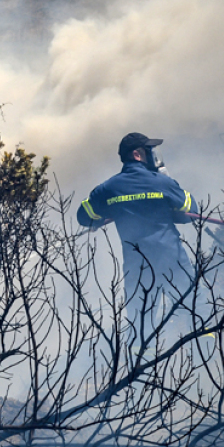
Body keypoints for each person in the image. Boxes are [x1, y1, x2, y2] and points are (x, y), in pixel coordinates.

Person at [76, 133, 199, 312]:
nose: (154, 155)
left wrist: (110, 213)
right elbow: (191, 210)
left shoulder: (108, 188)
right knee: (195, 309)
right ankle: (205, 341)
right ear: (137, 154)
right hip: (172, 259)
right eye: (150, 151)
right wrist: (168, 207)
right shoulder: (163, 182)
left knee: (140, 321)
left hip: (137, 265)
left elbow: (84, 216)